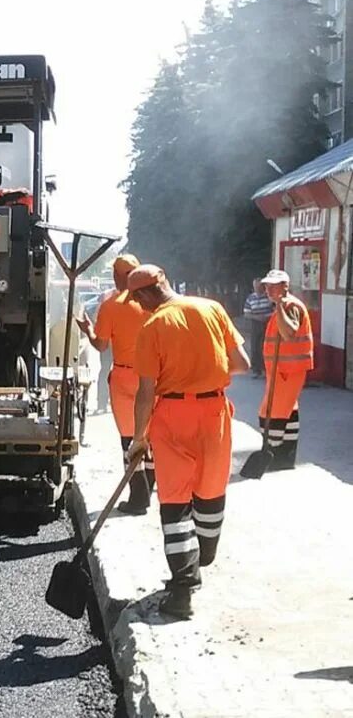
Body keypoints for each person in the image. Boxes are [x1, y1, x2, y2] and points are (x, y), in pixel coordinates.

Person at [126, 265, 250, 619]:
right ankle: (203, 556)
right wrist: (205, 368)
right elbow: (241, 363)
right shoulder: (211, 308)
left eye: (138, 300)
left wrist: (138, 439)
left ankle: (183, 590)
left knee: (175, 502)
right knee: (211, 491)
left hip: (173, 417)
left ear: (144, 295)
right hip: (215, 413)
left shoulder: (152, 328)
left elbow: (146, 392)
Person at [76, 254, 155, 515]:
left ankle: (139, 497)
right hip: (154, 376)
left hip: (124, 376)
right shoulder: (153, 304)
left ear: (121, 276)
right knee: (149, 434)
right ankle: (151, 486)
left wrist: (88, 330)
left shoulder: (111, 305)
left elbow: (101, 345)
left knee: (129, 437)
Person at [257, 268, 314, 470]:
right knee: (287, 410)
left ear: (285, 286)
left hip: (287, 370)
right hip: (283, 370)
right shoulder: (284, 305)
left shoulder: (290, 306)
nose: (269, 289)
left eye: (273, 286)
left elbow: (289, 332)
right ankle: (285, 456)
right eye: (267, 286)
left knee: (272, 413)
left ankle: (273, 452)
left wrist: (280, 305)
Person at [243, 278, 275, 378]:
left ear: (263, 286)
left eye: (259, 286)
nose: (257, 288)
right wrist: (256, 317)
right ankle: (256, 369)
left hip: (267, 323)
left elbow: (275, 309)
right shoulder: (250, 298)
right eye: (255, 287)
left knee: (266, 346)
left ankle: (266, 369)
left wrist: (267, 317)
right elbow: (246, 313)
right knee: (255, 346)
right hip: (256, 324)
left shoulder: (269, 297)